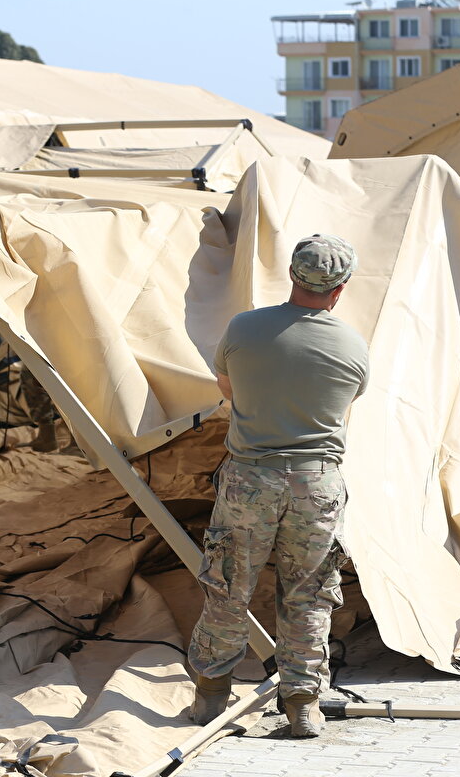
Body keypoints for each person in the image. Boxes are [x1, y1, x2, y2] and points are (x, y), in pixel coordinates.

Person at [187, 234, 369, 738]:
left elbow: (229, 389)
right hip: (317, 484)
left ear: (292, 275)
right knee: (309, 594)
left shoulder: (243, 329)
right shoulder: (351, 344)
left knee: (228, 587)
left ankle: (209, 700)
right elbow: (346, 404)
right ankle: (303, 706)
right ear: (341, 288)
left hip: (251, 479)